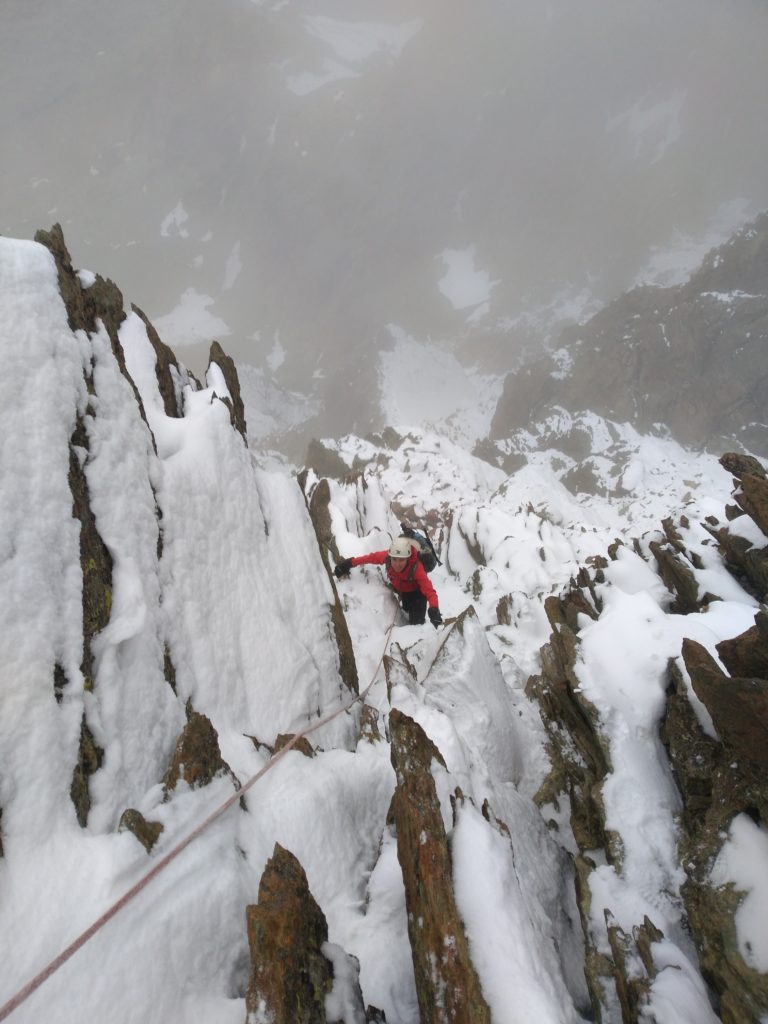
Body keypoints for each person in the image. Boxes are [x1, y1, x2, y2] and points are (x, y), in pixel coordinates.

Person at [334, 537, 443, 628]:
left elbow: (429, 590)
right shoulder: (387, 557)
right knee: (406, 614)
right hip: (404, 593)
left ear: (408, 558)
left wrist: (434, 609)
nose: (397, 564)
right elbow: (370, 558)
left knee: (416, 625)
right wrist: (349, 563)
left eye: (401, 560)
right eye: (394, 559)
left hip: (417, 595)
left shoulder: (416, 567)